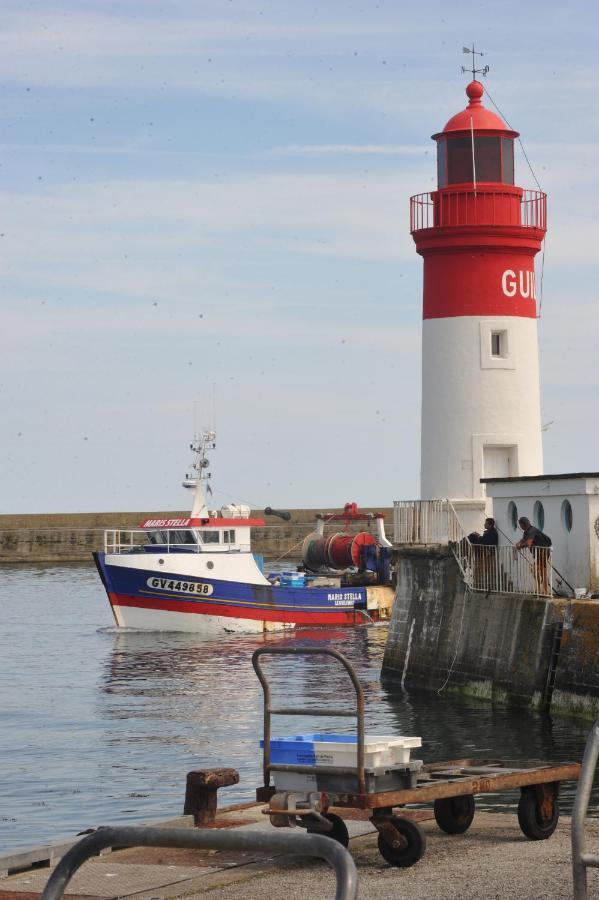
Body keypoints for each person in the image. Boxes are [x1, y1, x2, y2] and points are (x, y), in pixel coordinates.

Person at [515, 517, 552, 594]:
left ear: (523, 524)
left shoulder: (532, 530)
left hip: (543, 552)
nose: (520, 526)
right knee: (536, 570)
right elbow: (524, 539)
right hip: (538, 553)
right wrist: (518, 543)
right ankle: (540, 588)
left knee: (540, 570)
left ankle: (544, 590)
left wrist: (520, 546)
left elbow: (528, 543)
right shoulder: (526, 531)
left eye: (520, 524)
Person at [467, 518, 498, 590]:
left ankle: (461, 545)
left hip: (488, 551)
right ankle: (460, 544)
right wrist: (479, 536)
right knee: (472, 535)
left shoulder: (493, 532)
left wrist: (478, 536)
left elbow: (487, 542)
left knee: (472, 536)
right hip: (484, 550)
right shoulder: (488, 532)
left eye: (486, 523)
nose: (484, 524)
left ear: (490, 525)